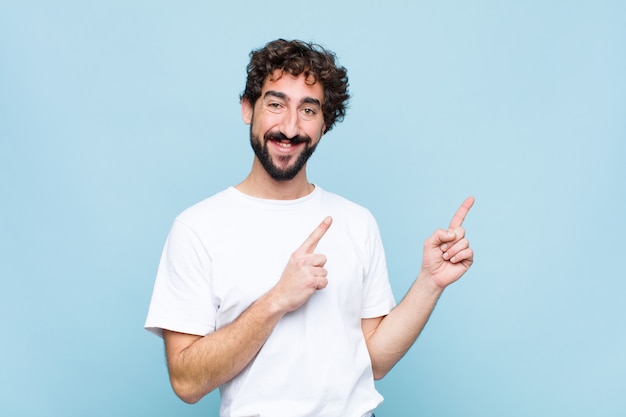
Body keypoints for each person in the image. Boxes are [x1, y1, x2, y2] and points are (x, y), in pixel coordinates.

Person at [145, 38, 474, 417]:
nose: (289, 127)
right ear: (247, 109)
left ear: (324, 124)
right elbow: (186, 383)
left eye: (308, 110)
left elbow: (375, 361)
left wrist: (429, 284)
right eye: (275, 104)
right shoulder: (197, 228)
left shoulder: (356, 221)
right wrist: (277, 300)